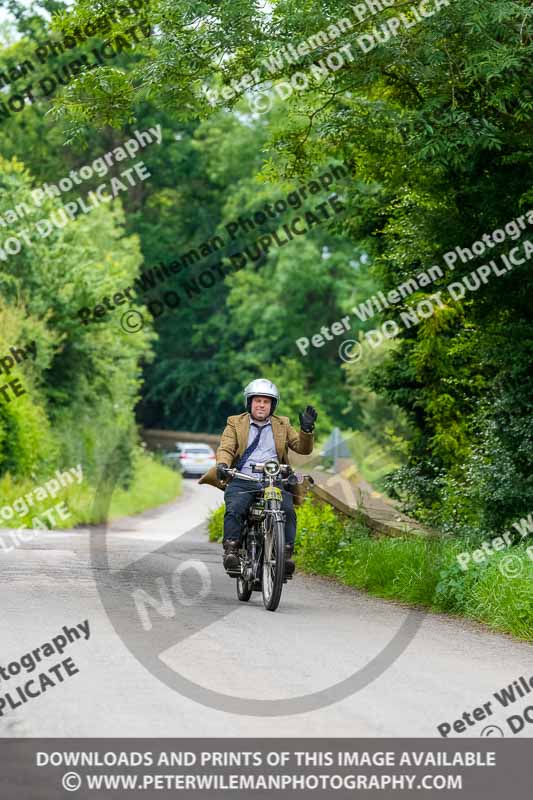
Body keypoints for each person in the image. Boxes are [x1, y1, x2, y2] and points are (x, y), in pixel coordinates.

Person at [198, 378, 317, 577]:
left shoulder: (283, 423)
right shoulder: (235, 422)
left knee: (287, 508)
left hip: (273, 479)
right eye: (257, 401)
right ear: (249, 402)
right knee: (235, 506)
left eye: (266, 401)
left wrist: (307, 430)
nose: (261, 405)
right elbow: (226, 447)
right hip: (243, 477)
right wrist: (223, 465)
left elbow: (303, 449)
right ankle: (232, 551)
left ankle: (285, 555)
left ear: (273, 405)